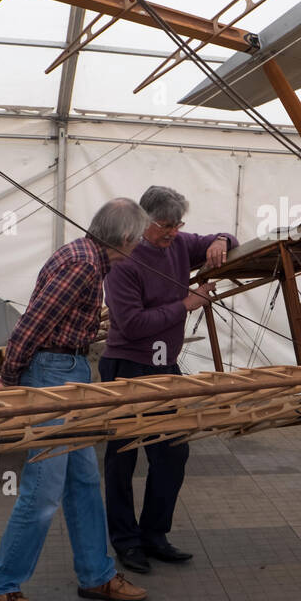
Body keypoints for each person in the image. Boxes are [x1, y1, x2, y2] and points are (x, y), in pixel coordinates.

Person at [0, 198, 151, 601]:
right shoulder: (82, 265)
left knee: (84, 482)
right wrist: (11, 376)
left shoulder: (89, 258)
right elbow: (32, 324)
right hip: (53, 371)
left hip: (70, 367)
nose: (141, 244)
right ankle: (1, 586)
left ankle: (96, 574)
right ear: (126, 238)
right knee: (43, 489)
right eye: (140, 237)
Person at [100, 186, 238, 573]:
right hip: (127, 366)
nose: (173, 233)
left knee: (172, 452)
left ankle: (154, 535)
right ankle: (126, 542)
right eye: (165, 226)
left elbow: (220, 239)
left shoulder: (178, 243)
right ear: (145, 221)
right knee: (123, 458)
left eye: (178, 225)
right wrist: (185, 305)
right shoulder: (123, 260)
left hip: (165, 368)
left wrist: (222, 241)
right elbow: (131, 325)